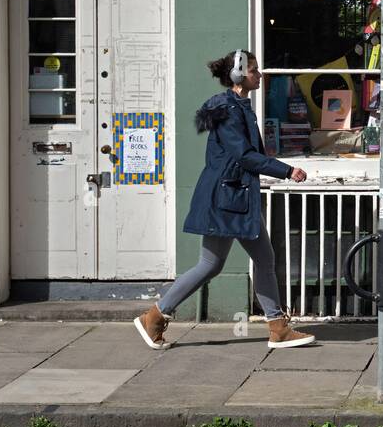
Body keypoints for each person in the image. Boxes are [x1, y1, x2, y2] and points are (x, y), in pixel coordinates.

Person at [134, 49, 316, 350]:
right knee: (212, 264)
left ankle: (277, 326)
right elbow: (244, 155)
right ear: (238, 74)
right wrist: (287, 170)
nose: (260, 74)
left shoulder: (239, 106)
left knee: (257, 260)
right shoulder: (228, 110)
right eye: (254, 70)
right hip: (227, 199)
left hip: (237, 197)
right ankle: (154, 316)